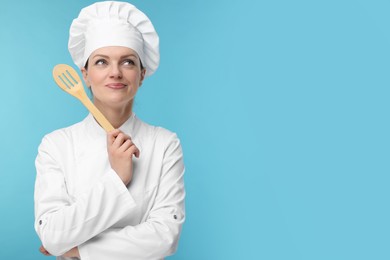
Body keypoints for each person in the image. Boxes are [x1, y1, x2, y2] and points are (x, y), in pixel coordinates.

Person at [34, 1, 185, 259]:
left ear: (142, 73)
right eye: (102, 62)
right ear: (85, 74)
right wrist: (118, 179)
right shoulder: (56, 144)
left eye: (127, 62)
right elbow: (51, 234)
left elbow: (164, 237)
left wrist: (79, 248)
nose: (115, 73)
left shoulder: (165, 143)